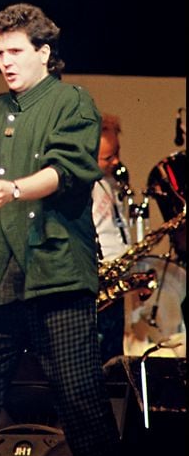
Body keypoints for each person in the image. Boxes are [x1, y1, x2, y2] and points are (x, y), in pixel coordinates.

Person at [0, 3, 152, 456]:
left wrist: (12, 187)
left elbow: (68, 171)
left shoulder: (71, 100)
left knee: (80, 396)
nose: (6, 62)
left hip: (53, 272)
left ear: (43, 52)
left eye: (16, 52)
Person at [92, 114, 132, 365]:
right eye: (108, 157)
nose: (116, 161)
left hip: (117, 274)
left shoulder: (109, 183)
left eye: (116, 153)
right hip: (100, 278)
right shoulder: (83, 189)